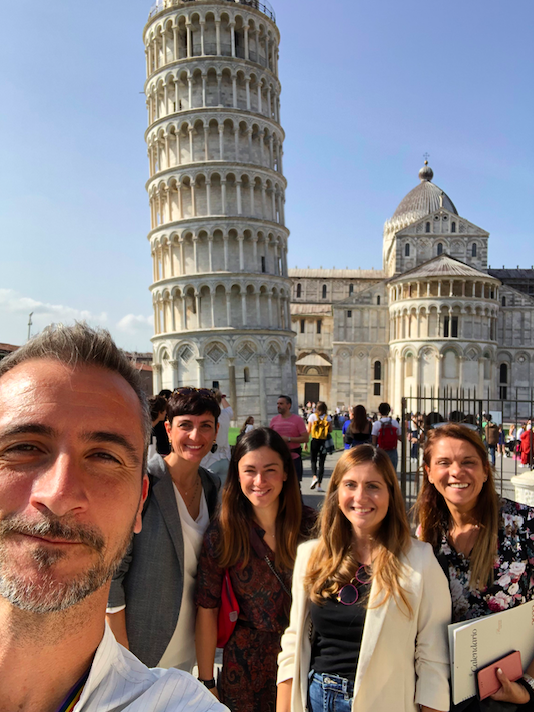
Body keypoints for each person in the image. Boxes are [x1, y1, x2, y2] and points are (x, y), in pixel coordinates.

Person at [0, 323, 227, 712]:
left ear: (139, 501)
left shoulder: (212, 486)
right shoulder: (161, 478)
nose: (58, 495)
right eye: (24, 447)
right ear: (168, 431)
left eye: (104, 457)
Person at [276, 445, 451, 712]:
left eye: (372, 486)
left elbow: (433, 659)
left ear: (390, 494)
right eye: (350, 485)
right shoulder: (311, 556)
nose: (360, 497)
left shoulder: (420, 561)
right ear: (336, 492)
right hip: (317, 700)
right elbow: (293, 643)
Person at [195, 427, 316, 712]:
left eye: (270, 470)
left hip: (305, 659)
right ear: (237, 474)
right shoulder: (223, 532)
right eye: (250, 470)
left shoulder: (313, 527)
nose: (259, 481)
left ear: (286, 472)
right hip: (243, 669)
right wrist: (206, 681)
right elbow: (207, 608)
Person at [416, 423, 534, 709]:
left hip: (511, 695)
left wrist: (527, 687)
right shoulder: (426, 535)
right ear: (429, 473)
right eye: (444, 463)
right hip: (445, 695)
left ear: (485, 470)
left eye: (468, 462)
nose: (456, 472)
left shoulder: (526, 526)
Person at [107, 387, 221, 670]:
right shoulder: (144, 482)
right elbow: (112, 576)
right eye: (186, 425)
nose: (196, 436)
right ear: (168, 429)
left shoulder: (212, 486)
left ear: (216, 431)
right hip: (141, 647)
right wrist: (125, 660)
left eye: (205, 426)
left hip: (190, 643)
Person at [270, 395, 309, 484]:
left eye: (281, 404)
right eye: (277, 404)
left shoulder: (298, 420)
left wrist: (288, 439)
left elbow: (305, 438)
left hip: (293, 458)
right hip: (277, 458)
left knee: (294, 485)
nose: (278, 406)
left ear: (288, 405)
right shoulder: (274, 420)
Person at [202, 391, 233, 486]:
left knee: (208, 493)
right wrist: (222, 397)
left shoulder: (208, 417)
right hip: (225, 457)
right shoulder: (225, 414)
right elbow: (230, 409)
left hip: (210, 459)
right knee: (222, 495)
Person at [307, 401, 333, 492]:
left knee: (313, 460)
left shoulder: (312, 416)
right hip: (324, 442)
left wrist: (306, 443)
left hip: (314, 441)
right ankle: (319, 485)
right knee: (322, 462)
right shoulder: (328, 417)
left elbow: (309, 430)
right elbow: (330, 430)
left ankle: (314, 476)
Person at [371, 402, 401, 470]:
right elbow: (400, 438)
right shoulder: (394, 422)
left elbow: (374, 440)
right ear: (389, 411)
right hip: (392, 449)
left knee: (381, 471)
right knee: (392, 471)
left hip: (381, 450)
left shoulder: (377, 424)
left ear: (379, 412)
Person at [148, 394, 168, 459]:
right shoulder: (147, 430)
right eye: (165, 410)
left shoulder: (150, 427)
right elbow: (149, 456)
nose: (166, 412)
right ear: (160, 412)